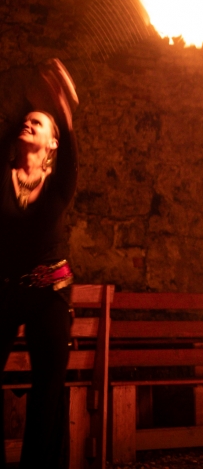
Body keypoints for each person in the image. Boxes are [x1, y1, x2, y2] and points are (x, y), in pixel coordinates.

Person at [0, 59, 79, 468]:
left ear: (53, 144)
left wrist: (62, 110)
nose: (29, 123)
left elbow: (72, 153)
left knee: (48, 386)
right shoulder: (2, 175)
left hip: (50, 291)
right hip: (6, 289)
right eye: (27, 120)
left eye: (39, 122)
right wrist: (30, 99)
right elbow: (7, 128)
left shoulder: (58, 185)